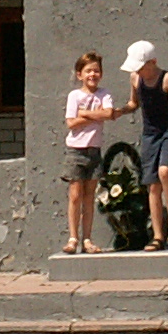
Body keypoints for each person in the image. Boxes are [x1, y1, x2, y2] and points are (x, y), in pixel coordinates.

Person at [122, 39, 168, 249]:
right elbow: (134, 103)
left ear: (153, 62)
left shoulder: (167, 79)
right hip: (150, 135)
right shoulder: (135, 79)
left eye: (141, 67)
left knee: (165, 172)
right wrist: (117, 112)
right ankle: (157, 236)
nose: (138, 72)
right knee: (152, 185)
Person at [62, 50, 115, 254]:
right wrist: (94, 115)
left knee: (89, 196)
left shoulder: (105, 94)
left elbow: (109, 113)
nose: (93, 75)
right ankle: (73, 238)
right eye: (88, 71)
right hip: (76, 151)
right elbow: (71, 123)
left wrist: (85, 113)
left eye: (96, 71)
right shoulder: (74, 96)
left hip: (94, 150)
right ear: (79, 74)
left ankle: (87, 239)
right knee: (75, 195)